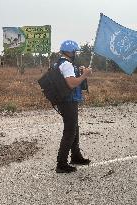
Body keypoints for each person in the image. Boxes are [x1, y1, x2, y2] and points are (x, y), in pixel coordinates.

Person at [54, 40, 92, 173]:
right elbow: (71, 84)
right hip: (68, 101)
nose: (76, 53)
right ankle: (61, 163)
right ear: (70, 52)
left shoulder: (61, 62)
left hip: (65, 100)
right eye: (75, 51)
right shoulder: (66, 65)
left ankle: (76, 156)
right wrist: (84, 75)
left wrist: (80, 71)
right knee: (70, 131)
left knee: (74, 128)